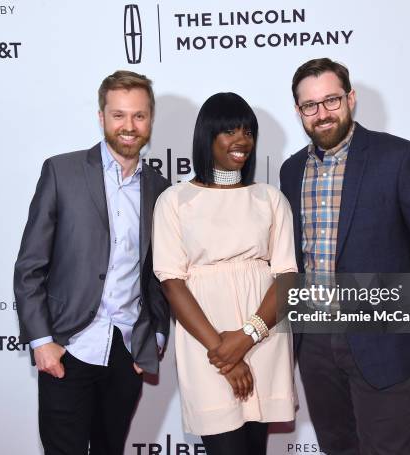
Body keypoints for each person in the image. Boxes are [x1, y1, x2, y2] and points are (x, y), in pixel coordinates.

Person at [280, 58, 410, 455]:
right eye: (310, 105)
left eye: (331, 100)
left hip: (385, 339)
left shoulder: (398, 158)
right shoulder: (291, 171)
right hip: (315, 343)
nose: (322, 113)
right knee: (336, 447)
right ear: (298, 112)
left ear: (351, 98)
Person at [14, 70, 170, 455]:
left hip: (127, 350)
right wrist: (42, 341)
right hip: (68, 346)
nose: (129, 126)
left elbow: (161, 275)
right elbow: (30, 266)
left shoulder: (160, 190)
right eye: (118, 115)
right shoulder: (61, 172)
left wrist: (157, 337)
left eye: (138, 115)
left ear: (150, 119)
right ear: (101, 117)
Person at [152, 92, 297, 455]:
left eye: (247, 131)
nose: (241, 140)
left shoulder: (270, 198)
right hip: (206, 346)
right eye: (230, 131)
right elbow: (171, 283)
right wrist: (224, 353)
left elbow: (289, 277)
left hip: (264, 339)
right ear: (207, 136)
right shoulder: (175, 200)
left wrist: (247, 337)